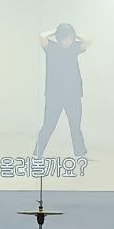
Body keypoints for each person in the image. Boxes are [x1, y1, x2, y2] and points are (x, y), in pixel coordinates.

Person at [32, 23, 88, 158]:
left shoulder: (74, 47)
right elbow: (41, 36)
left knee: (75, 127)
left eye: (70, 38)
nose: (68, 41)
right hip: (54, 95)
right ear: (59, 38)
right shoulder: (51, 48)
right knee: (48, 126)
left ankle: (80, 154)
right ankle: (36, 154)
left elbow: (87, 41)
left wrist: (73, 34)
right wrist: (57, 31)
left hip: (73, 94)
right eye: (66, 38)